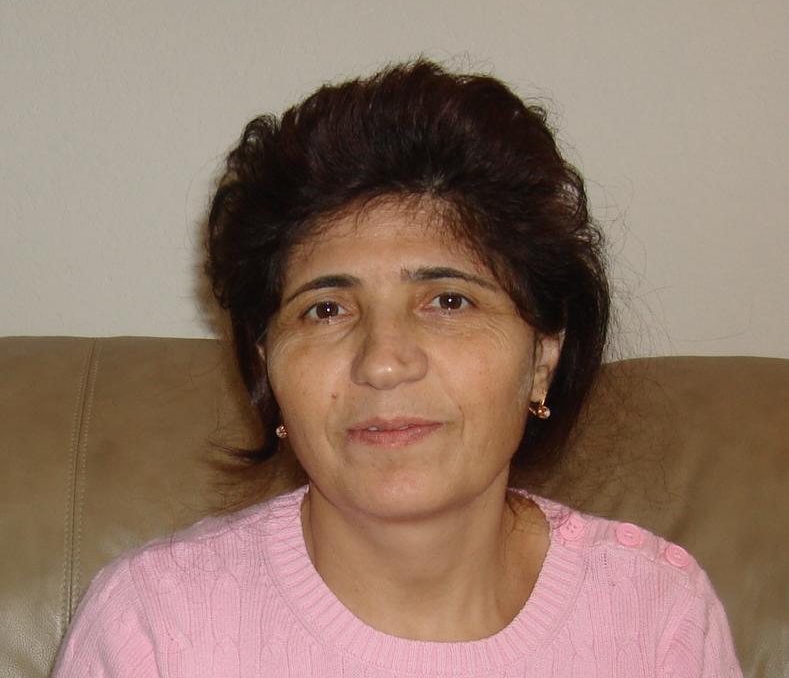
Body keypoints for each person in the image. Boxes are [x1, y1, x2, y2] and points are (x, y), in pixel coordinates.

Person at [52, 60, 742, 677]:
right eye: (325, 310)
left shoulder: (657, 615)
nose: (383, 362)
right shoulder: (155, 627)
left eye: (448, 301)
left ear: (541, 359)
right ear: (268, 372)